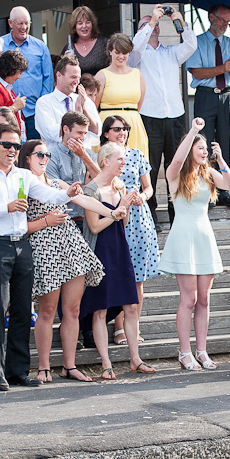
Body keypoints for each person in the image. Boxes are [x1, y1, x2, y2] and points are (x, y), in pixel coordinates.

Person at [0, 124, 122, 391]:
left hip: (21, 246)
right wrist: (6, 207)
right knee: (0, 308)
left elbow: (49, 194)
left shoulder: (23, 176)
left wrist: (69, 193)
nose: (12, 150)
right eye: (7, 145)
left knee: (24, 310)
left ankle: (18, 371)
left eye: (16, 145)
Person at [17, 140, 105, 384]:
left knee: (73, 310)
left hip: (70, 244)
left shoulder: (56, 183)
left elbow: (84, 199)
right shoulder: (22, 184)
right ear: (27, 157)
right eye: (39, 154)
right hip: (44, 247)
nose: (44, 158)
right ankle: (44, 367)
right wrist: (46, 221)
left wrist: (112, 211)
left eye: (47, 154)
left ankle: (69, 365)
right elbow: (18, 227)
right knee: (46, 311)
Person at [158, 117, 230, 370]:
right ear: (190, 147)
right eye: (199, 148)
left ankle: (202, 350)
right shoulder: (175, 175)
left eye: (205, 148)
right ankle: (185, 352)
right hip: (183, 235)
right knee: (188, 299)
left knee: (204, 299)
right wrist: (193, 131)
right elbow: (178, 160)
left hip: (204, 235)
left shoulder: (209, 173)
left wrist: (221, 158)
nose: (204, 152)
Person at [81, 143, 154, 379]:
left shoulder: (120, 187)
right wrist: (115, 213)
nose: (125, 163)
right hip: (100, 252)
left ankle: (136, 359)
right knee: (100, 310)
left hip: (121, 249)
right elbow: (93, 227)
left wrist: (125, 207)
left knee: (131, 306)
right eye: (120, 160)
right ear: (105, 161)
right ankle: (105, 363)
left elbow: (122, 224)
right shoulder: (91, 190)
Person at [130, 5, 198, 229]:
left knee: (176, 166)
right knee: (149, 168)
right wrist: (149, 22)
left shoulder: (170, 52)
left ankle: (176, 216)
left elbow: (190, 45)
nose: (154, 26)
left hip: (175, 116)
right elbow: (135, 47)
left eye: (157, 24)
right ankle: (150, 217)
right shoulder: (137, 55)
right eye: (148, 25)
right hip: (150, 117)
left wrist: (179, 20)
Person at [99, 116, 161, 349]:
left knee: (138, 278)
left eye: (125, 129)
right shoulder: (102, 156)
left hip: (139, 217)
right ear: (106, 133)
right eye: (116, 129)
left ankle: (135, 325)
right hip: (114, 215)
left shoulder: (136, 154)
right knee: (118, 274)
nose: (122, 132)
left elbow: (149, 187)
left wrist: (142, 198)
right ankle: (119, 326)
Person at [186, 4, 230, 207]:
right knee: (203, 143)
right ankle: (207, 190)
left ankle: (225, 190)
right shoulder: (198, 43)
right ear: (210, 17)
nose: (224, 25)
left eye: (228, 22)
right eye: (221, 20)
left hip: (227, 94)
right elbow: (197, 72)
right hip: (206, 95)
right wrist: (223, 68)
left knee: (226, 142)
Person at [2, 6, 55, 141]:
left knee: (34, 153)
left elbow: (48, 79)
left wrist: (41, 106)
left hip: (33, 113)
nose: (24, 27)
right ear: (10, 23)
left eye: (27, 23)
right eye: (20, 23)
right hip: (8, 110)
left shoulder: (40, 47)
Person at [45, 112, 102, 232]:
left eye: (85, 133)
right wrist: (87, 187)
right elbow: (54, 192)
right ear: (65, 129)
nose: (82, 138)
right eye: (79, 133)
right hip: (65, 220)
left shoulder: (88, 154)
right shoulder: (51, 157)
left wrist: (83, 156)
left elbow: (102, 181)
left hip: (90, 219)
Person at [95, 34, 148, 154]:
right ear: (110, 51)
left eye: (124, 53)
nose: (121, 56)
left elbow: (138, 105)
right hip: (108, 125)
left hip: (133, 125)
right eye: (117, 52)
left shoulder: (138, 74)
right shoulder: (101, 75)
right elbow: (93, 106)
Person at [34, 55, 100, 149]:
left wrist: (84, 110)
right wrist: (77, 114)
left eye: (78, 78)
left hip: (82, 159)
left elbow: (96, 132)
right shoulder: (44, 103)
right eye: (73, 77)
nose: (76, 82)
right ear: (59, 75)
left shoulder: (85, 100)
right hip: (56, 160)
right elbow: (52, 134)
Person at [68, 6, 109, 76]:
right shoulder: (69, 47)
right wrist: (65, 62)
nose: (84, 26)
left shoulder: (104, 44)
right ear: (74, 26)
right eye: (80, 23)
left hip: (101, 86)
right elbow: (62, 75)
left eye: (87, 22)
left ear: (93, 24)